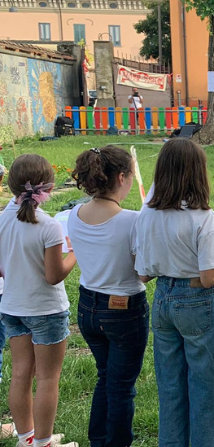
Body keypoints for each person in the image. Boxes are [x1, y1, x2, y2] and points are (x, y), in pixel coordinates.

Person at [133, 139, 214, 446]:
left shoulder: (147, 214)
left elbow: (143, 274)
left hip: (163, 299)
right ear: (198, 174)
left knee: (171, 388)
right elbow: (208, 277)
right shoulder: (203, 217)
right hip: (197, 301)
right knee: (211, 388)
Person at [69, 146, 147, 447]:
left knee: (106, 378)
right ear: (122, 177)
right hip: (124, 309)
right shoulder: (132, 220)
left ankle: (98, 440)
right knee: (122, 388)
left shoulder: (74, 214)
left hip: (88, 306)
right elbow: (143, 272)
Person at [0, 154, 78, 447]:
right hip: (46, 309)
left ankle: (27, 439)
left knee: (20, 374)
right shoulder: (49, 226)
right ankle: (43, 442)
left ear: (9, 185)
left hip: (11, 307)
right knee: (47, 378)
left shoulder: (1, 220)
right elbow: (53, 276)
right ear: (49, 187)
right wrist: (74, 253)